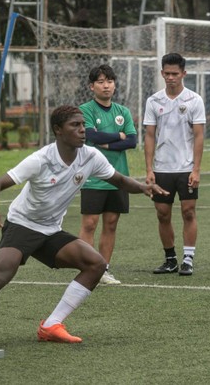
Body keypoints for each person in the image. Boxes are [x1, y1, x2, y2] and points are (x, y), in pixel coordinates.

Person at [0, 105, 167, 343]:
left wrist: (143, 187)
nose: (82, 130)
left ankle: (51, 325)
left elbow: (119, 180)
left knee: (96, 264)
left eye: (83, 125)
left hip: (50, 230)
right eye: (75, 125)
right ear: (58, 130)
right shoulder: (40, 159)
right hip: (22, 225)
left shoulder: (91, 156)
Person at [143, 53, 206, 276]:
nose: (170, 78)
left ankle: (188, 259)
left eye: (175, 74)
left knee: (188, 211)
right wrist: (149, 169)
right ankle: (170, 259)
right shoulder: (153, 101)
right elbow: (149, 135)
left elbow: (199, 136)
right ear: (162, 73)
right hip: (161, 168)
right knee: (162, 213)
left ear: (183, 74)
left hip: (186, 167)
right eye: (167, 74)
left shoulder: (194, 100)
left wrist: (196, 169)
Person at [79, 64, 137, 285]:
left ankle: (103, 269)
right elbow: (91, 136)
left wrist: (107, 142)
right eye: (101, 81)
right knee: (90, 223)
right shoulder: (85, 110)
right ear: (91, 86)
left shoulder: (123, 111)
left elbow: (132, 141)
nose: (106, 85)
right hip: (93, 176)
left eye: (110, 81)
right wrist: (118, 137)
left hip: (118, 177)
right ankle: (86, 267)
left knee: (111, 223)